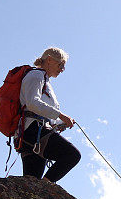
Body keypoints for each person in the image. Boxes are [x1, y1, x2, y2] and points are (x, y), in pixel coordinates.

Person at [16, 47, 80, 183]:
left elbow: (35, 109)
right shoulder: (37, 75)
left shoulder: (42, 79)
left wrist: (57, 124)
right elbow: (33, 103)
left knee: (31, 182)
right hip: (34, 131)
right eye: (60, 64)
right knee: (72, 155)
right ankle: (46, 188)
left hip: (28, 134)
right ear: (49, 60)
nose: (62, 69)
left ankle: (39, 191)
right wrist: (61, 116)